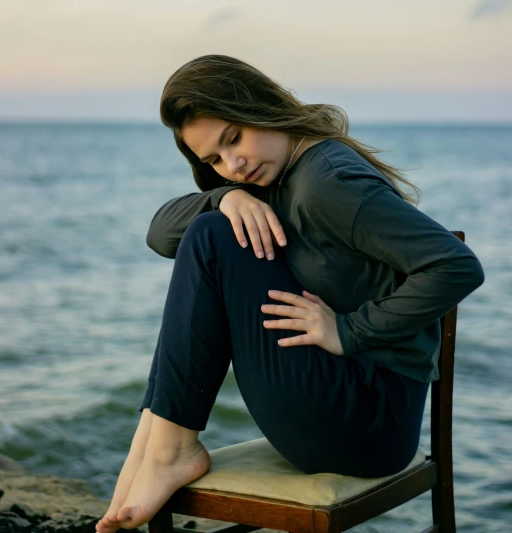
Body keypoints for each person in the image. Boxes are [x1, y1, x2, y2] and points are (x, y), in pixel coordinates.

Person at [96, 54, 485, 532]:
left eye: (233, 139)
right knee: (213, 230)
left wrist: (348, 331)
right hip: (341, 406)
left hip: (368, 426)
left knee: (212, 237)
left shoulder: (326, 182)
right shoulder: (272, 177)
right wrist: (224, 196)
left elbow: (455, 265)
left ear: (261, 105)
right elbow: (160, 235)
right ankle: (156, 444)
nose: (232, 164)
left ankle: (165, 446)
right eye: (214, 159)